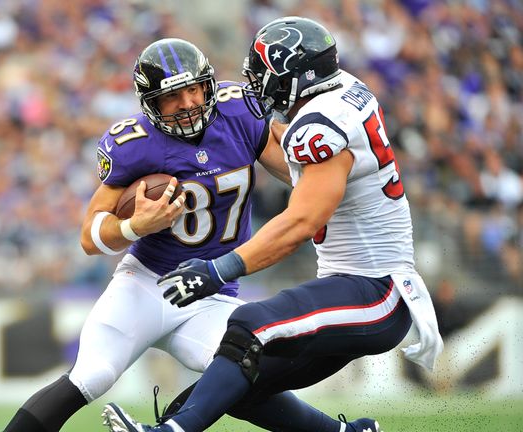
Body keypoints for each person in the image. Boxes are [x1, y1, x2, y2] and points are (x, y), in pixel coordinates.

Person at [102, 17, 444, 432]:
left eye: (266, 75)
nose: (258, 85)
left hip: (375, 289)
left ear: (295, 78)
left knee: (247, 325)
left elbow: (301, 222)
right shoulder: (342, 93)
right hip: (351, 284)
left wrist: (218, 269)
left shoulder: (320, 126)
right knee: (234, 385)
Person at [2, 38, 291, 432]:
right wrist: (135, 226)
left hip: (212, 293)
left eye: (194, 89)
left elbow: (298, 177)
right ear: (150, 103)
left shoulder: (239, 112)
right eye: (172, 96)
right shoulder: (135, 146)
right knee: (93, 375)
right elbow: (90, 236)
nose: (188, 103)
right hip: (147, 283)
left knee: (246, 372)